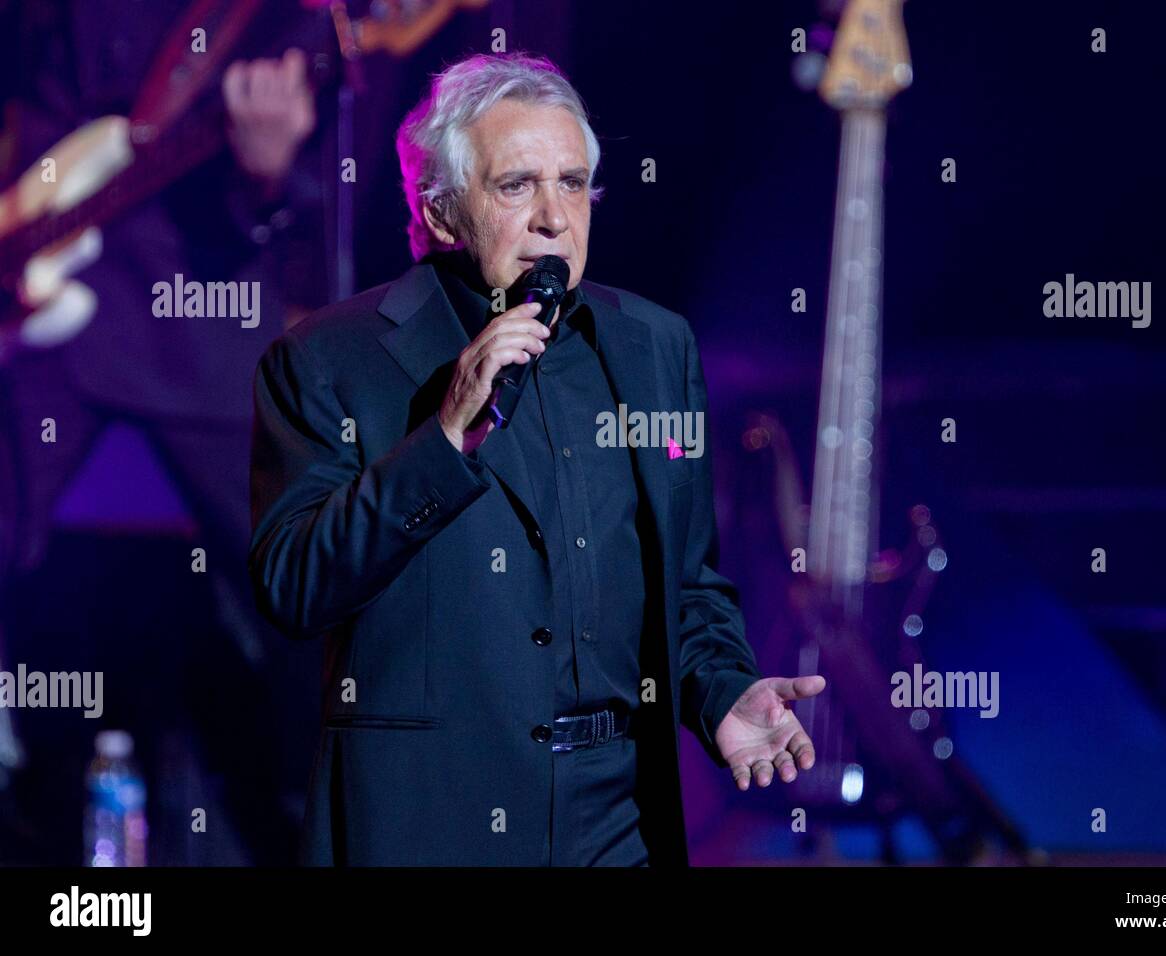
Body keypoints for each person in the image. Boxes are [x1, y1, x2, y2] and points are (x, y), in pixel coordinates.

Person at [248, 51, 826, 866]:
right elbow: (295, 586)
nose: (556, 216)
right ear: (443, 212)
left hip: (618, 817)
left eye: (574, 182)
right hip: (433, 823)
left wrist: (722, 693)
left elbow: (688, 586)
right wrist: (444, 438)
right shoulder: (329, 359)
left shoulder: (657, 347)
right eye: (517, 186)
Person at [0, 0, 329, 864]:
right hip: (28, 283)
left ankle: (325, 816)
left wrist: (268, 169)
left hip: (194, 297)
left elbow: (313, 163)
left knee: (297, 575)